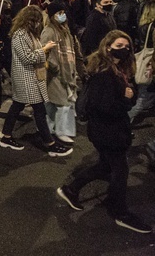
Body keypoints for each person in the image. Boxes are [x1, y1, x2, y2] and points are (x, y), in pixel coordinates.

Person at [56, 30, 152, 234]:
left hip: (111, 130)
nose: (124, 50)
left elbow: (131, 97)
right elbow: (105, 108)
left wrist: (129, 96)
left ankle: (71, 189)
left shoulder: (120, 70)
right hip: (107, 132)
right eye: (119, 46)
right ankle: (120, 212)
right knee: (119, 171)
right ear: (107, 47)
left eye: (127, 47)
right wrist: (126, 98)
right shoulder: (104, 74)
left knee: (105, 167)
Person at [0, 6, 72, 156]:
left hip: (31, 76)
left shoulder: (29, 33)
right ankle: (49, 142)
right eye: (37, 21)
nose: (39, 24)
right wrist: (44, 49)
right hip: (26, 77)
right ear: (30, 20)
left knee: (18, 106)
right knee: (38, 109)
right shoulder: (20, 35)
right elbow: (27, 58)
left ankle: (6, 136)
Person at [41, 2, 83, 144]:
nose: (62, 15)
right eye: (59, 13)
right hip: (56, 74)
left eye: (63, 12)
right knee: (63, 103)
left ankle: (49, 128)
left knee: (55, 104)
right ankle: (61, 131)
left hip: (66, 72)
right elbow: (45, 51)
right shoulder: (49, 31)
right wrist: (55, 67)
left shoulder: (65, 30)